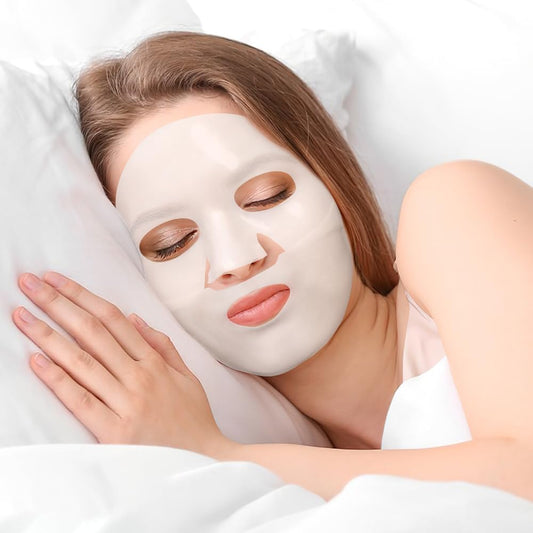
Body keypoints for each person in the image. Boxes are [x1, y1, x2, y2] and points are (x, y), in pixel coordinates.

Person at [11, 31, 533, 501]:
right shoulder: (287, 496)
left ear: (333, 181)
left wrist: (218, 455)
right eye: (173, 243)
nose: (237, 260)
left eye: (266, 196)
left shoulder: (455, 206)